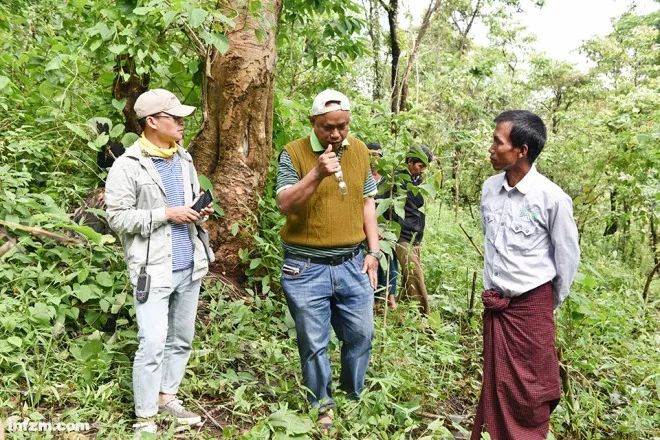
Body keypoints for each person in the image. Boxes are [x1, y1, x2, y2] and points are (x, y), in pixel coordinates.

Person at [105, 88, 215, 438]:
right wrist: (166, 213)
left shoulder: (183, 159)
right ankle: (145, 417)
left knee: (181, 338)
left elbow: (187, 205)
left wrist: (198, 210)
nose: (182, 123)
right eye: (175, 117)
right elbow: (117, 218)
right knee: (152, 342)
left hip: (190, 264)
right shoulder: (128, 165)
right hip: (153, 270)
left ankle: (167, 398)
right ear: (152, 121)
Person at [471, 110, 580, 439]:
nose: (491, 148)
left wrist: (545, 303)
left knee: (532, 392)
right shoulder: (489, 189)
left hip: (532, 307)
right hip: (497, 306)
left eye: (497, 142)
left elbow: (567, 258)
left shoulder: (552, 198)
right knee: (500, 385)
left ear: (521, 150)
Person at [276, 89, 380, 431]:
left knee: (361, 334)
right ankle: (322, 406)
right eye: (328, 127)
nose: (336, 134)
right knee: (314, 343)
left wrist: (374, 252)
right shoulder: (293, 153)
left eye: (342, 126)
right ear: (313, 123)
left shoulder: (359, 150)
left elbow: (367, 203)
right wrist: (317, 173)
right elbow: (285, 204)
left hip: (353, 263)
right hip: (305, 267)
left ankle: (353, 395)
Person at [392, 146, 434, 316]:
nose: (422, 170)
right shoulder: (397, 179)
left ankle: (404, 313)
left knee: (408, 277)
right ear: (410, 162)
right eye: (420, 165)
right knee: (415, 276)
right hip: (401, 235)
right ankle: (423, 316)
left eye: (424, 167)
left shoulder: (417, 179)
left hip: (414, 235)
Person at [367, 142, 398, 310]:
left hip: (386, 228)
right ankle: (373, 297)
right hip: (367, 228)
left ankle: (390, 295)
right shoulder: (362, 177)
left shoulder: (388, 181)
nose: (372, 159)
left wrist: (385, 230)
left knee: (390, 261)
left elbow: (394, 208)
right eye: (369, 155)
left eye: (375, 155)